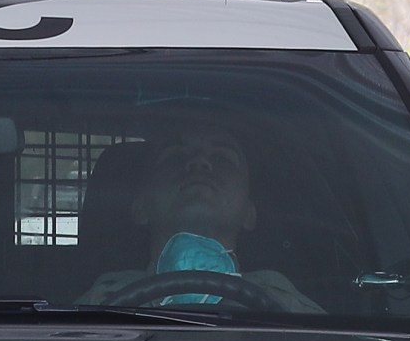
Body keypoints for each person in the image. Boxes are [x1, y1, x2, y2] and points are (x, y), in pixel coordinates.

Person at [78, 126, 322, 312]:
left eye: (223, 159)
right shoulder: (100, 303)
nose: (199, 162)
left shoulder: (287, 304)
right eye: (174, 156)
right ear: (140, 207)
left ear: (250, 213)